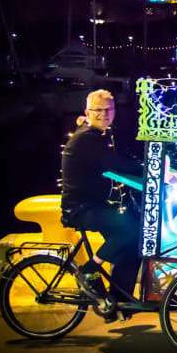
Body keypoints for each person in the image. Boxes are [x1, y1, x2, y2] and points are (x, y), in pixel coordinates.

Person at [60, 89, 143, 322]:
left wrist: (146, 166)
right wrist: (153, 169)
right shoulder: (86, 137)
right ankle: (89, 269)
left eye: (109, 110)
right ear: (88, 112)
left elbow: (123, 158)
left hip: (96, 204)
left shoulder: (101, 133)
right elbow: (114, 163)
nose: (105, 114)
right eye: (99, 110)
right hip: (81, 209)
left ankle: (117, 302)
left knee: (133, 247)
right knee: (131, 229)